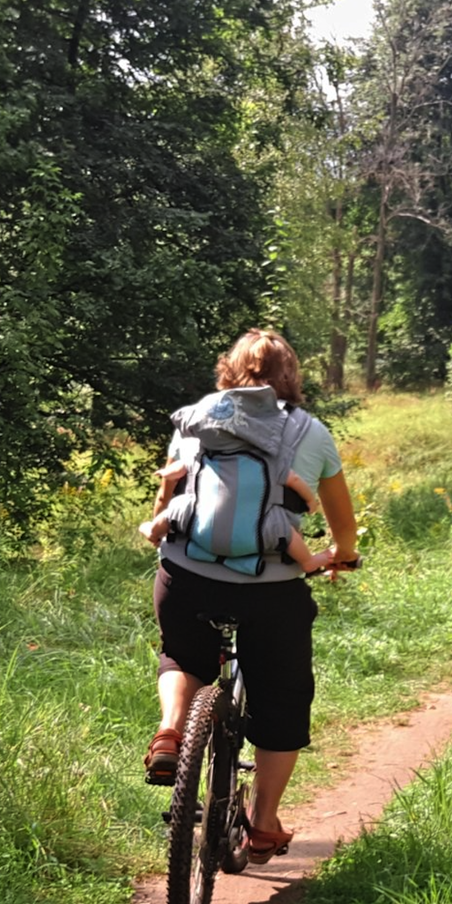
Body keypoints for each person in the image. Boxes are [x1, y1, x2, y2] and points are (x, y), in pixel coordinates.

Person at [142, 329, 359, 863]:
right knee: (281, 700)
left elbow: (170, 492)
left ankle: (170, 732)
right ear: (291, 376)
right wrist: (342, 553)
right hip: (273, 591)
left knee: (182, 656)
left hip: (187, 576)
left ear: (229, 371)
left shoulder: (195, 417)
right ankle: (263, 824)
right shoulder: (311, 432)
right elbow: (340, 519)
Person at [138, 460, 334, 576]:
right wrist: (310, 501)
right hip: (256, 533)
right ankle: (310, 560)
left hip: (204, 531)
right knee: (285, 530)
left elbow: (177, 470)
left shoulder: (205, 455)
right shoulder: (270, 462)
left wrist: (166, 473)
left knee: (175, 510)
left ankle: (152, 531)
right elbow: (295, 480)